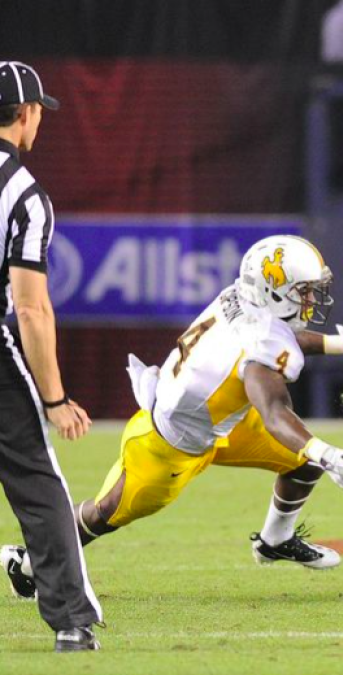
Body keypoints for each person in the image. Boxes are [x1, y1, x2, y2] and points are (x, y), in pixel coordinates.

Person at [1, 235, 343, 599]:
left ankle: (274, 540)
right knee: (103, 514)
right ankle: (28, 563)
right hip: (169, 447)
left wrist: (342, 344)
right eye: (304, 292)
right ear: (274, 291)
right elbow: (275, 411)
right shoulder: (260, 345)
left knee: (301, 464)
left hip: (220, 420)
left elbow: (277, 336)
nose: (312, 301)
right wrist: (328, 452)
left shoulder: (243, 298)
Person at [0, 61, 103, 652]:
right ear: (27, 113)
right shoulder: (23, 195)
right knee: (38, 484)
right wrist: (56, 398)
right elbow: (32, 308)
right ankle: (70, 621)